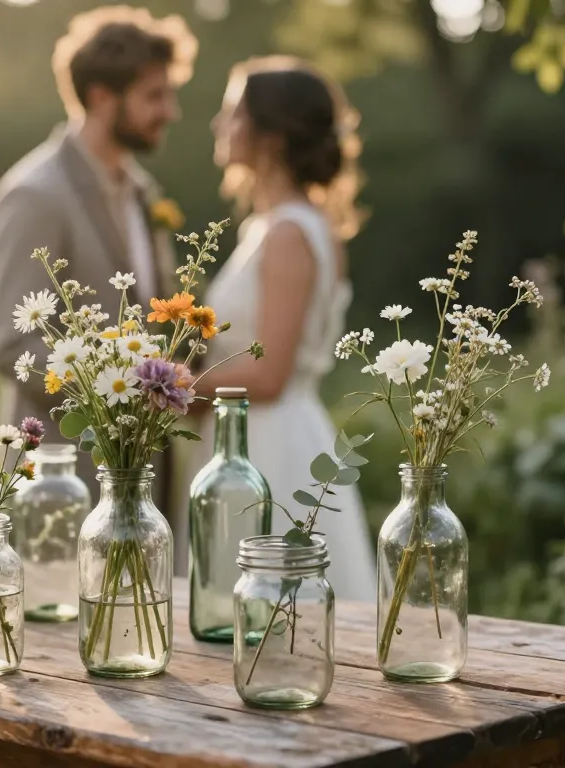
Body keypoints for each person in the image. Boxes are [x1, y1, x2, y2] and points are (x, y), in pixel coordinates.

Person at [0, 6, 198, 502]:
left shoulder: (143, 192)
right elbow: (12, 347)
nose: (170, 111)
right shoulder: (34, 195)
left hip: (143, 470)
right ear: (101, 97)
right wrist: (126, 389)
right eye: (154, 96)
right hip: (62, 478)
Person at [186, 56, 377, 602]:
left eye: (231, 114)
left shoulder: (291, 234)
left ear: (269, 136)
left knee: (271, 604)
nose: (218, 126)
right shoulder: (268, 227)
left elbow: (269, 373)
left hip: (271, 445)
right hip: (243, 434)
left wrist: (172, 386)